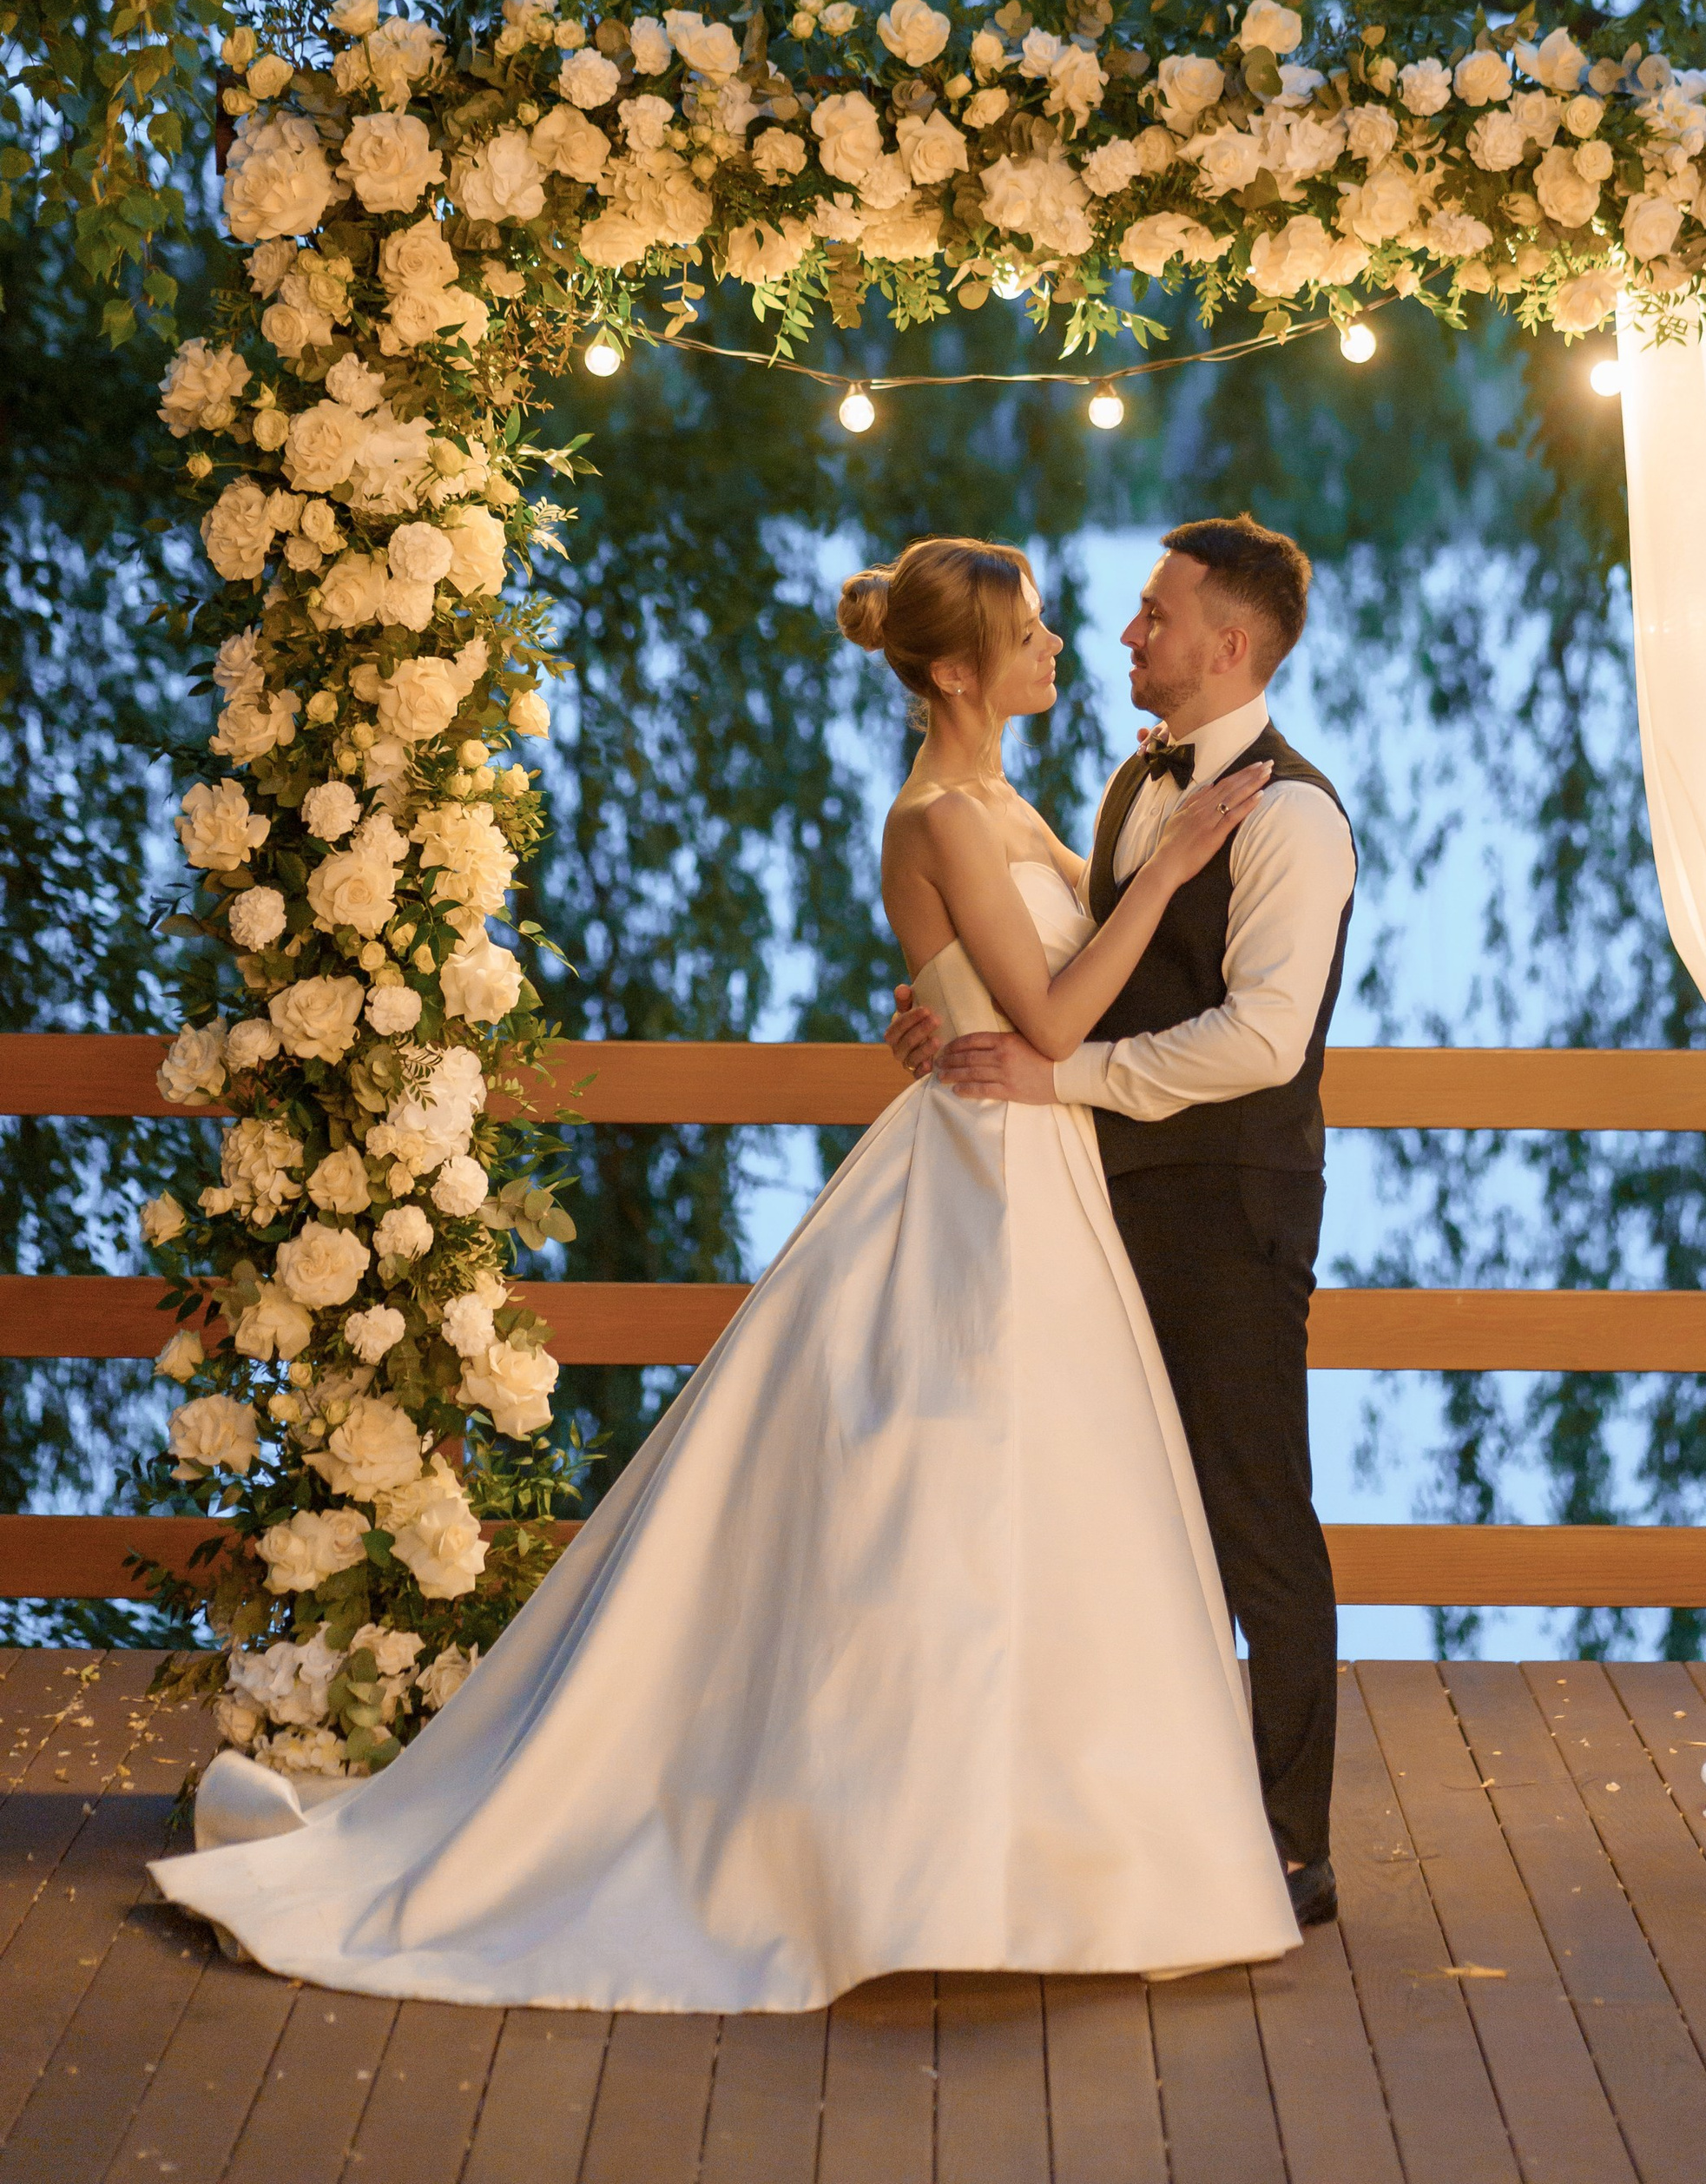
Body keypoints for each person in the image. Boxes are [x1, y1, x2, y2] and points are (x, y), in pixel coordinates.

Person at [150, 537, 1301, 2010]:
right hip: (987, 1179)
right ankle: (896, 1857)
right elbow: (1065, 1018)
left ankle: (1032, 1850)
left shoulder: (1006, 797)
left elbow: (1044, 985)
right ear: (959, 670)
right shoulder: (945, 812)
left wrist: (1038, 946)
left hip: (1027, 1161)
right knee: (942, 1502)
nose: (1063, 643)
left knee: (1029, 1503)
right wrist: (1183, 865)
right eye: (1032, 629)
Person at [886, 513, 1355, 1929]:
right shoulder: (1120, 789)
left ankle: (1287, 1846)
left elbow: (1261, 1043)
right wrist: (952, 1004)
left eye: (1157, 614)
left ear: (1228, 644)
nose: (1124, 634)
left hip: (1227, 1206)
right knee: (1117, 1508)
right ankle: (1133, 1801)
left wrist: (1056, 1070)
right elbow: (1075, 958)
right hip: (1088, 1200)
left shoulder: (1294, 816)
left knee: (1254, 1517)